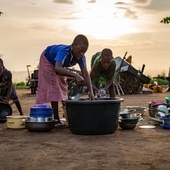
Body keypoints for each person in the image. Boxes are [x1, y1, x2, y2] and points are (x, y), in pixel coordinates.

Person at [35, 34, 94, 128]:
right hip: (48, 60)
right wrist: (75, 75)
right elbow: (57, 68)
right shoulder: (64, 52)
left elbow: (85, 73)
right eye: (79, 51)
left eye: (84, 52)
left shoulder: (81, 57)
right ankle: (56, 119)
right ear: (73, 45)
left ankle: (66, 114)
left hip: (58, 65)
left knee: (62, 85)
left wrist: (91, 91)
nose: (81, 53)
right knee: (54, 87)